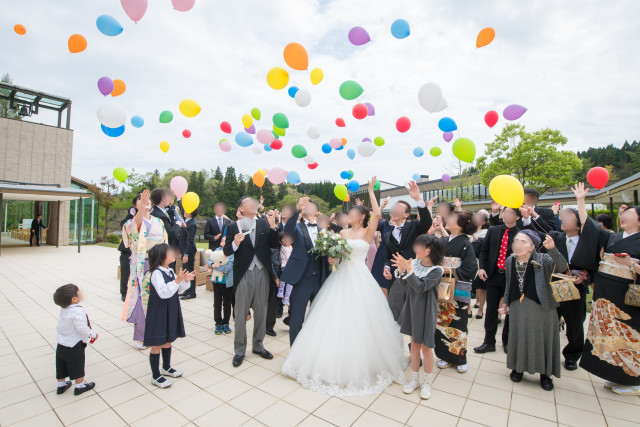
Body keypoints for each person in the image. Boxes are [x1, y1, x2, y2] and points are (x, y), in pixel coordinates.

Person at [282, 177, 406, 396]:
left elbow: (378, 215)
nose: (349, 215)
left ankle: (361, 360)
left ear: (362, 216)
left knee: (360, 320)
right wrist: (333, 259)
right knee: (332, 318)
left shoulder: (368, 232)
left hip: (360, 277)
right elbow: (337, 255)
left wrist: (371, 193)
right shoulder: (342, 233)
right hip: (340, 277)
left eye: (354, 213)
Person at [572, 183, 640, 396]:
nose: (623, 217)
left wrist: (632, 265)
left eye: (627, 213)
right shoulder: (614, 237)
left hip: (627, 294)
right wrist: (581, 201)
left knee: (626, 334)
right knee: (607, 333)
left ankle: (633, 380)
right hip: (607, 290)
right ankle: (615, 374)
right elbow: (589, 226)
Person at [503, 231, 568, 391]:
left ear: (533, 246)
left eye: (523, 241)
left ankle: (545, 375)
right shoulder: (510, 260)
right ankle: (518, 369)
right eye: (516, 240)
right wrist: (506, 302)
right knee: (519, 336)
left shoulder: (543, 259)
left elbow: (562, 267)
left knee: (542, 338)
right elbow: (508, 283)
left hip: (541, 307)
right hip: (518, 306)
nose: (518, 244)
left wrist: (552, 249)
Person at [223, 197, 280, 367]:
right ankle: (239, 350)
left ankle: (258, 345)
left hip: (262, 271)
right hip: (243, 274)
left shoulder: (263, 223)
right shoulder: (233, 227)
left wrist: (274, 228)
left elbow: (274, 245)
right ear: (242, 208)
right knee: (240, 314)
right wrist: (234, 243)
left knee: (261, 312)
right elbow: (226, 251)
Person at [392, 235, 445, 400]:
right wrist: (402, 271)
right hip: (411, 308)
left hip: (426, 310)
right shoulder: (414, 263)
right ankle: (414, 379)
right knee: (414, 344)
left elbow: (421, 287)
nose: (415, 249)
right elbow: (404, 284)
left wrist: (409, 270)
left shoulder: (437, 270)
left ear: (428, 251)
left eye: (418, 246)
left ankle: (427, 382)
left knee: (426, 348)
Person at [280, 198, 330, 345]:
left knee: (317, 318)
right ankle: (294, 352)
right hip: (301, 280)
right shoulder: (296, 227)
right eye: (305, 205)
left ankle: (312, 350)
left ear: (317, 211)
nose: (307, 206)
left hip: (319, 280)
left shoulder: (323, 231)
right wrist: (297, 210)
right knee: (296, 318)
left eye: (310, 205)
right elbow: (287, 230)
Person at [546, 208, 591, 371]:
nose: (562, 219)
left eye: (567, 216)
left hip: (575, 287)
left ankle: (572, 355)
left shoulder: (587, 243)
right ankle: (547, 352)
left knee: (575, 324)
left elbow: (593, 267)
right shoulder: (555, 237)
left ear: (579, 223)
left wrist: (585, 279)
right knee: (549, 320)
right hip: (553, 284)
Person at [121, 190, 167, 349]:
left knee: (158, 298)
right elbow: (135, 228)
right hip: (142, 265)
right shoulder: (131, 222)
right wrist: (141, 211)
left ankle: (156, 333)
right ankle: (140, 337)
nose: (146, 201)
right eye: (141, 200)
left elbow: (164, 243)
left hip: (158, 264)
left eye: (147, 200)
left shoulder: (159, 222)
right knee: (142, 300)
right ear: (135, 207)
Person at [382, 181, 434, 320]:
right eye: (393, 208)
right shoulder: (387, 236)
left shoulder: (415, 226)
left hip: (415, 277)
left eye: (398, 208)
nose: (394, 210)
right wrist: (386, 267)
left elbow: (427, 222)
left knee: (414, 316)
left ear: (406, 214)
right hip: (397, 278)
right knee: (393, 313)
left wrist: (418, 199)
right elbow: (388, 257)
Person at [144, 243, 194, 388]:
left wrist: (185, 281)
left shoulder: (170, 271)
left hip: (170, 310)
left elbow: (177, 290)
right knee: (157, 343)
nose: (173, 253)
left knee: (168, 340)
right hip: (159, 312)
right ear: (161, 256)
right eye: (169, 251)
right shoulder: (156, 273)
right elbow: (164, 292)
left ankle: (166, 367)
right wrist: (178, 280)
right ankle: (155, 375)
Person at [474, 207, 521, 354]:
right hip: (494, 275)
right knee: (491, 310)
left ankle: (507, 342)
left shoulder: (522, 233)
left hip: (512, 277)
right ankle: (489, 342)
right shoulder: (494, 230)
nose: (505, 215)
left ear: (517, 217)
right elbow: (484, 250)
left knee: (510, 311)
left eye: (509, 213)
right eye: (504, 212)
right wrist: (482, 268)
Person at [436, 211, 478, 374]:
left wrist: (449, 268)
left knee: (458, 323)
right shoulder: (444, 240)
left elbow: (471, 268)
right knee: (442, 321)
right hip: (441, 285)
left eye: (452, 218)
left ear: (460, 224)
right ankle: (445, 356)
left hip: (456, 286)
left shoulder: (465, 243)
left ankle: (460, 358)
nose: (448, 220)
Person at [53, 284, 97, 396]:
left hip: (61, 343)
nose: (81, 293)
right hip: (74, 344)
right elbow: (82, 328)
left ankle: (61, 385)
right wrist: (92, 334)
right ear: (74, 299)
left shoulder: (64, 309)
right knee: (77, 364)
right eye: (79, 292)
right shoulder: (77, 311)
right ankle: (79, 386)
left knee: (61, 365)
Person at [207, 235, 234, 335]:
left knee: (227, 304)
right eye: (222, 240)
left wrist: (216, 268)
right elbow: (209, 259)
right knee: (217, 303)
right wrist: (211, 265)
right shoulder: (217, 250)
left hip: (227, 282)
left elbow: (229, 266)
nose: (222, 242)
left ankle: (226, 323)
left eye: (224, 241)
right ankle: (218, 324)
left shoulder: (231, 252)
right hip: (216, 281)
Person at [471, 210, 490, 319]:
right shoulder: (466, 232)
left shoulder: (487, 232)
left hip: (480, 262)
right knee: (469, 287)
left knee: (481, 289)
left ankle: (481, 309)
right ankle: (468, 309)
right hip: (469, 262)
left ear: (483, 222)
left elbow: (481, 246)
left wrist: (472, 234)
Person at [150, 188, 182, 252]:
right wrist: (178, 224)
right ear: (163, 199)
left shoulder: (161, 211)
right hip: (164, 251)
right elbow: (171, 234)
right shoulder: (159, 215)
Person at [179, 208, 198, 300]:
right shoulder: (187, 220)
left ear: (190, 214)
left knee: (190, 270)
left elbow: (190, 240)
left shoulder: (192, 224)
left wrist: (186, 254)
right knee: (185, 270)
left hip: (189, 250)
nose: (184, 212)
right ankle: (187, 289)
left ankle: (192, 292)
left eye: (186, 211)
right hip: (184, 249)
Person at [118, 206, 135, 302]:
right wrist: (131, 213)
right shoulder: (131, 216)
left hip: (139, 250)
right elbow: (122, 224)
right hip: (127, 250)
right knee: (125, 272)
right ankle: (124, 293)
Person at [277, 233, 294, 305]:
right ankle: (281, 290)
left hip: (291, 266)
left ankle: (287, 297)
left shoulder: (292, 248)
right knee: (283, 278)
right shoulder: (282, 248)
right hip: (284, 265)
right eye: (283, 240)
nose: (285, 241)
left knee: (290, 283)